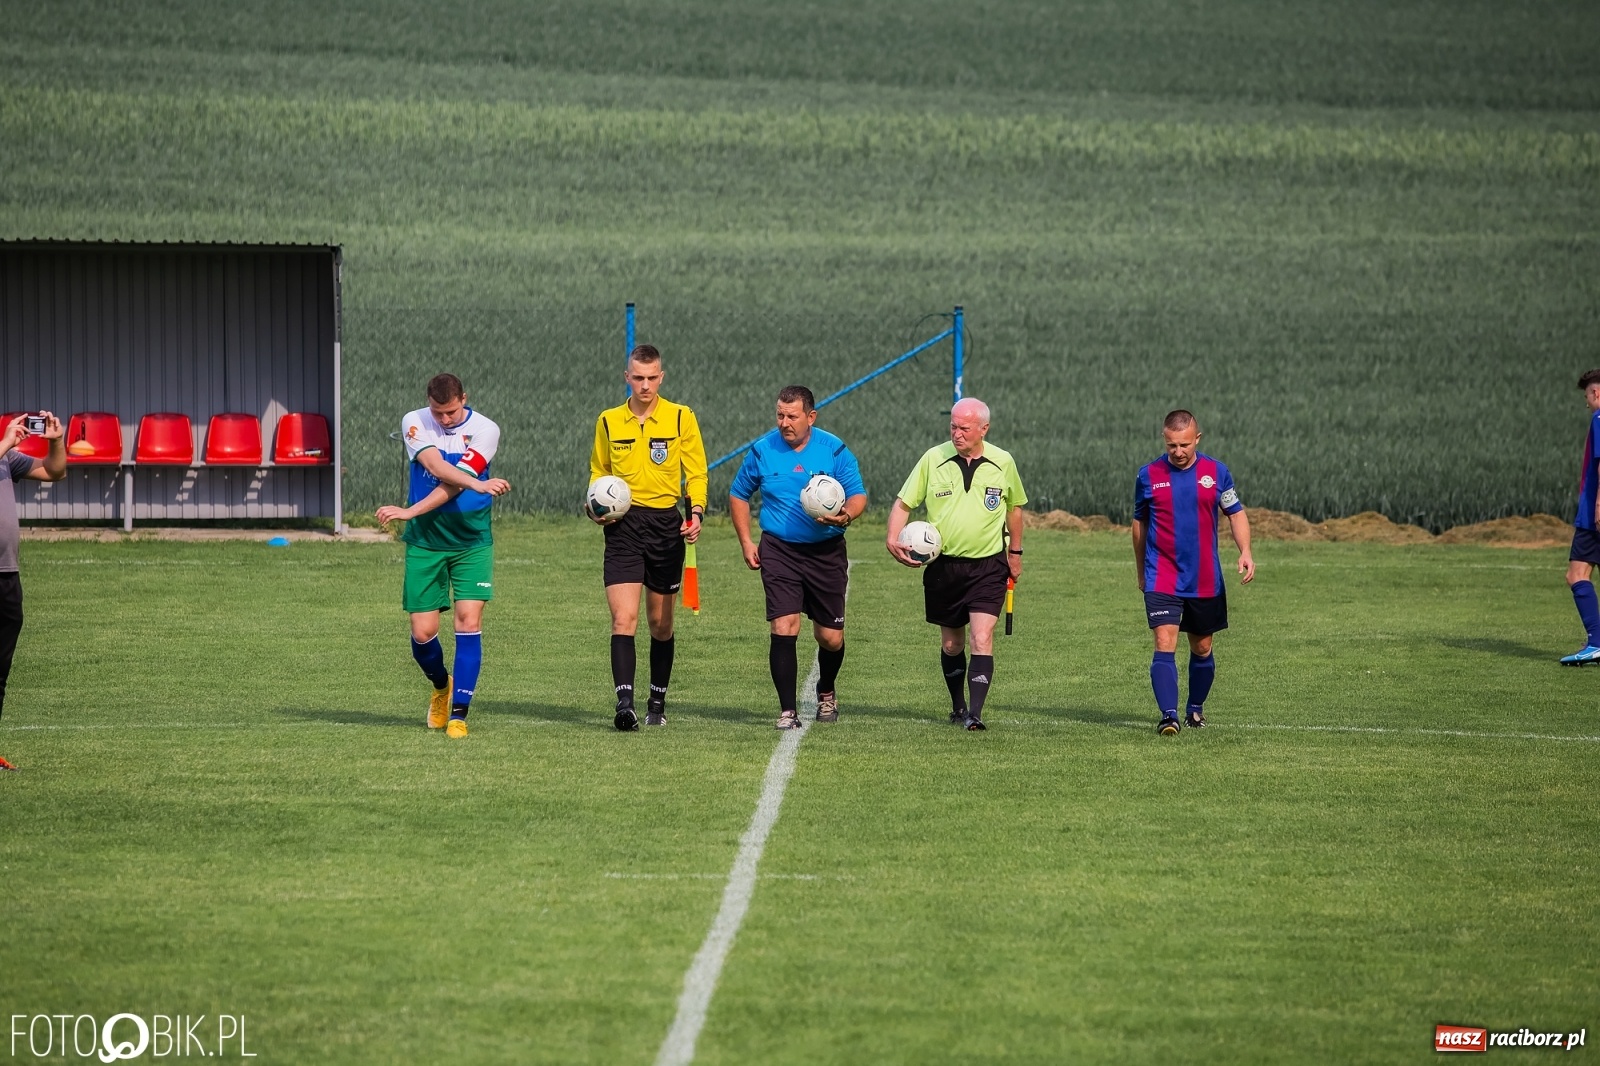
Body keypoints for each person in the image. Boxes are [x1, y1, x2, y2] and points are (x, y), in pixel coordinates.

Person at [376, 374, 510, 739]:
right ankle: (440, 687)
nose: (445, 419)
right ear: (428, 403)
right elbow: (437, 469)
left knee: (468, 621)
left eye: (451, 411)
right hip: (425, 542)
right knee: (423, 633)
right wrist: (479, 483)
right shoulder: (414, 420)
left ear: (464, 398)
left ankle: (459, 715)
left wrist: (409, 510)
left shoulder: (486, 429)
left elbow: (455, 483)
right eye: (438, 412)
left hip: (471, 542)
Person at [729, 386, 868, 730]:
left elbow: (858, 495)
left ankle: (826, 690)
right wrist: (746, 541)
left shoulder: (833, 449)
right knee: (784, 625)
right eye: (780, 415)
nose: (784, 422)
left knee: (830, 638)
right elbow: (738, 493)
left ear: (811, 416)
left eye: (792, 416)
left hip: (826, 552)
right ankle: (788, 711)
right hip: (779, 550)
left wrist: (845, 516)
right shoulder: (762, 450)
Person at [887, 397, 1025, 731]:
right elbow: (904, 503)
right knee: (952, 644)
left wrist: (1015, 553)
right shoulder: (933, 458)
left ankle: (975, 715)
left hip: (988, 566)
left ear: (984, 429)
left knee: (982, 638)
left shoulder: (1003, 461)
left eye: (964, 428)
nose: (957, 433)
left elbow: (1015, 508)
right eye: (953, 426)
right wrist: (892, 537)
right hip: (944, 568)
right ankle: (958, 706)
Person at [588, 344, 708, 730]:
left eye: (651, 378)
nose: (644, 385)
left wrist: (696, 513)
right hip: (622, 527)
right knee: (623, 618)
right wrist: (595, 506)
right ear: (627, 377)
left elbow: (697, 473)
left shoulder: (681, 417)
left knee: (660, 624)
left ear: (661, 377)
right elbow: (599, 471)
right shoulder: (608, 421)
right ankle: (625, 705)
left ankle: (657, 702)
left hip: (665, 526)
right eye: (637, 377)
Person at [1131, 409, 1254, 735]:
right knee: (1164, 641)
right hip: (1162, 574)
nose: (1178, 452)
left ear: (1197, 439)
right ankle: (1168, 716)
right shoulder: (1148, 475)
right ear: (1164, 440)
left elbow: (1235, 513)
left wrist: (1245, 551)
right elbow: (1139, 524)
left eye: (1184, 445)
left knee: (1202, 647)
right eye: (1172, 445)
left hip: (1204, 577)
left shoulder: (1217, 472)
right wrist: (1142, 570)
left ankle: (1195, 709)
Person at [0, 411, 67, 771]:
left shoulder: (7, 458)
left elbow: (54, 472)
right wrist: (5, 443)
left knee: (0, 673)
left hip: (7, 576)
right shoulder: (3, 451)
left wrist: (56, 442)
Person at [1561, 370, 1600, 665]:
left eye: (1586, 395)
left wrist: (1598, 504)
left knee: (1576, 574)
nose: (1586, 402)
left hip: (1592, 517)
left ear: (1596, 393)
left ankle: (1596, 643)